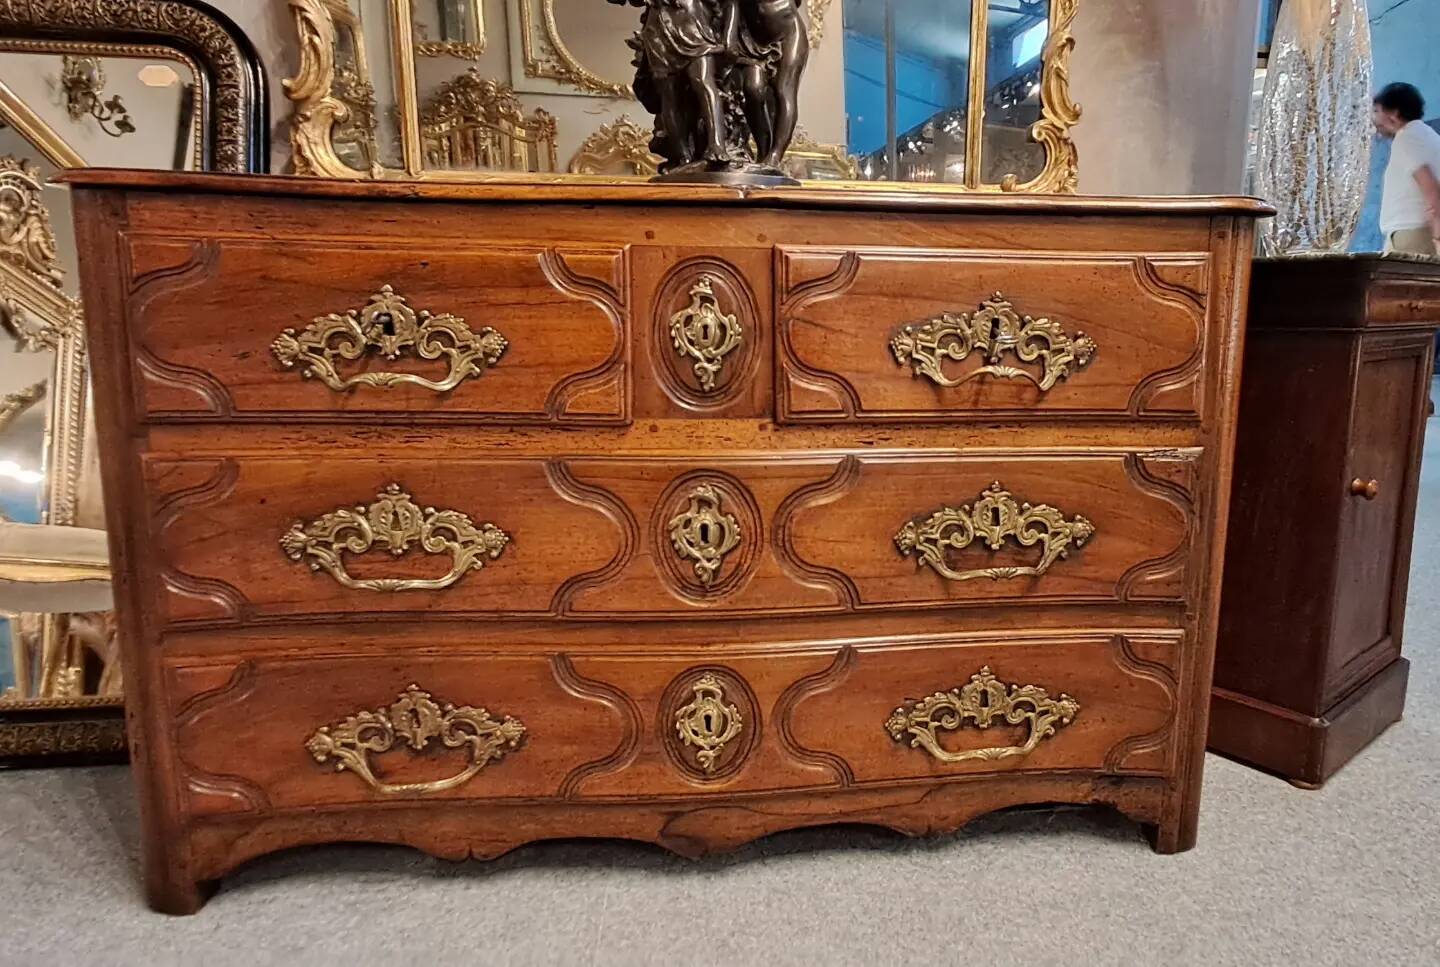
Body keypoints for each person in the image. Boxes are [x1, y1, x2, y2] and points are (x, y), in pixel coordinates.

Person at [1372, 82, 1440, 257]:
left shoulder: (1408, 138)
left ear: (1394, 113)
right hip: (1417, 234)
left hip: (1412, 237)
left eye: (1377, 111)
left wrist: (1438, 236)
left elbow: (1430, 187)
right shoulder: (1429, 136)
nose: (1374, 119)